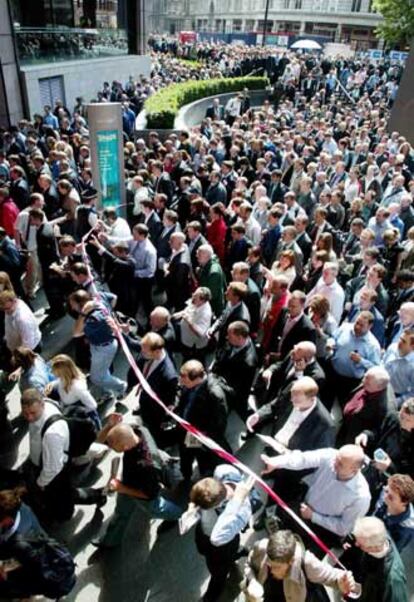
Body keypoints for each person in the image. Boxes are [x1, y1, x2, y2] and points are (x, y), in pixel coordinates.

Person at [261, 445, 371, 553]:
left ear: (354, 470)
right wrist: (276, 462)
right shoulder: (331, 456)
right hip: (303, 506)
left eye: (340, 464)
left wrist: (314, 516)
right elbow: (303, 459)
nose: (334, 464)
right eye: (336, 458)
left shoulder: (361, 498)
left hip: (319, 528)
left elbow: (343, 528)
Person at [93, 419, 183, 549]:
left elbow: (149, 495)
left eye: (113, 447)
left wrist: (122, 488)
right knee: (121, 511)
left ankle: (178, 514)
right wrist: (109, 426)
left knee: (157, 508)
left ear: (125, 448)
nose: (110, 448)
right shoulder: (136, 430)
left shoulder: (147, 466)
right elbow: (101, 441)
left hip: (142, 489)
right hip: (130, 481)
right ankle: (111, 540)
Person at [21, 388, 105, 522]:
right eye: (25, 413)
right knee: (64, 494)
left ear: (42, 404)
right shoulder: (47, 404)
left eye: (33, 413)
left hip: (54, 474)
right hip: (46, 465)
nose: (29, 417)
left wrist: (41, 482)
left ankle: (96, 496)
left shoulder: (52, 434)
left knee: (63, 497)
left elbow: (53, 468)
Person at [189, 465, 254, 602]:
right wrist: (192, 506)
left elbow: (217, 538)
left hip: (222, 543)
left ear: (216, 505)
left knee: (218, 572)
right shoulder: (223, 471)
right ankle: (236, 554)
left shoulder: (242, 508)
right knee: (210, 552)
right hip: (205, 532)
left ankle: (212, 596)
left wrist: (236, 501)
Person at [243, 529, 356, 602]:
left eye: (277, 567)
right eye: (269, 564)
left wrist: (342, 580)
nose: (271, 571)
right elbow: (249, 565)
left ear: (291, 561)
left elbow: (333, 576)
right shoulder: (262, 548)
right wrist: (252, 581)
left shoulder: (307, 562)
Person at [68, 290, 126, 402]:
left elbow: (76, 333)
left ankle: (122, 386)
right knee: (102, 371)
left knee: (96, 378)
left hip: (103, 349)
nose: (71, 307)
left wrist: (83, 313)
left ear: (81, 304)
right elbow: (113, 297)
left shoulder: (92, 318)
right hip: (100, 345)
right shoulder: (98, 299)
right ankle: (107, 392)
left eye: (73, 304)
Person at [175, 360, 230, 479]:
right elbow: (182, 396)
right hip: (186, 427)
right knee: (186, 453)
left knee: (196, 454)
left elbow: (219, 422)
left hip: (198, 434)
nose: (181, 382)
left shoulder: (214, 394)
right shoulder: (191, 384)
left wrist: (203, 435)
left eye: (185, 380)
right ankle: (186, 473)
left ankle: (201, 476)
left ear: (196, 379)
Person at [126, 332, 178, 444]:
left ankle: (158, 443)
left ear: (157, 351)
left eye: (145, 351)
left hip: (154, 407)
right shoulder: (150, 352)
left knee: (154, 426)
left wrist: (168, 407)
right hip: (145, 397)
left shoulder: (168, 375)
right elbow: (135, 344)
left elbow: (169, 397)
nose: (142, 352)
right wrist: (123, 332)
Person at [350, 516, 408, 602]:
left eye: (360, 544)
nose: (356, 544)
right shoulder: (379, 536)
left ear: (374, 548)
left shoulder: (393, 582)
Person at [211, 321, 258, 421]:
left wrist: (214, 381)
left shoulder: (248, 362)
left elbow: (238, 390)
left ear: (240, 338)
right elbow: (221, 355)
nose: (227, 337)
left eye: (230, 336)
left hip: (228, 394)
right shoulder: (233, 341)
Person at [46, 354, 101, 429]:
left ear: (63, 373)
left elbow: (93, 405)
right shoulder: (65, 378)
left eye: (57, 373)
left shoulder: (77, 387)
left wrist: (77, 412)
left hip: (83, 417)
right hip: (70, 408)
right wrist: (51, 384)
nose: (52, 373)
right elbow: (60, 381)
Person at [374, 474, 414, 553]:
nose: (385, 496)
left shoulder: (406, 528)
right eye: (386, 490)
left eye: (391, 497)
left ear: (404, 502)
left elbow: (391, 552)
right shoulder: (388, 494)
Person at [174, 286, 212, 364]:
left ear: (203, 300)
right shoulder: (196, 302)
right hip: (186, 340)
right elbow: (188, 309)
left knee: (194, 362)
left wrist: (189, 322)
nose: (192, 297)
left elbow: (201, 333)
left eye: (195, 297)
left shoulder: (205, 313)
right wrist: (178, 314)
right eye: (193, 295)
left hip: (194, 347)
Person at [0, 290, 41, 354]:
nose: (6, 312)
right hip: (16, 345)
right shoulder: (11, 307)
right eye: (3, 309)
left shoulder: (22, 319)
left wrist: (18, 356)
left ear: (14, 301)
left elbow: (28, 343)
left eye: (7, 308)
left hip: (30, 350)